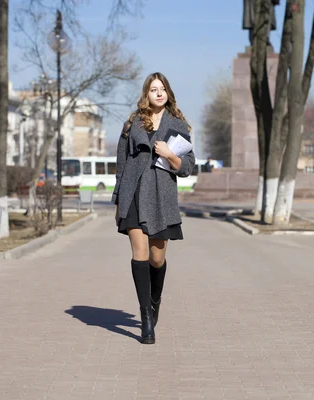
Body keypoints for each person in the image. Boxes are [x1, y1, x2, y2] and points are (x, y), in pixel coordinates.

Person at [112, 72, 195, 344]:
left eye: (162, 89)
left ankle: (154, 299)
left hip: (161, 196)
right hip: (133, 192)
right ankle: (145, 317)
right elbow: (122, 164)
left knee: (156, 259)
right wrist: (118, 199)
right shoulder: (132, 123)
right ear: (145, 94)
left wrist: (169, 154)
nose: (158, 93)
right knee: (140, 253)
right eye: (153, 89)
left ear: (168, 93)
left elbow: (188, 166)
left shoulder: (178, 125)